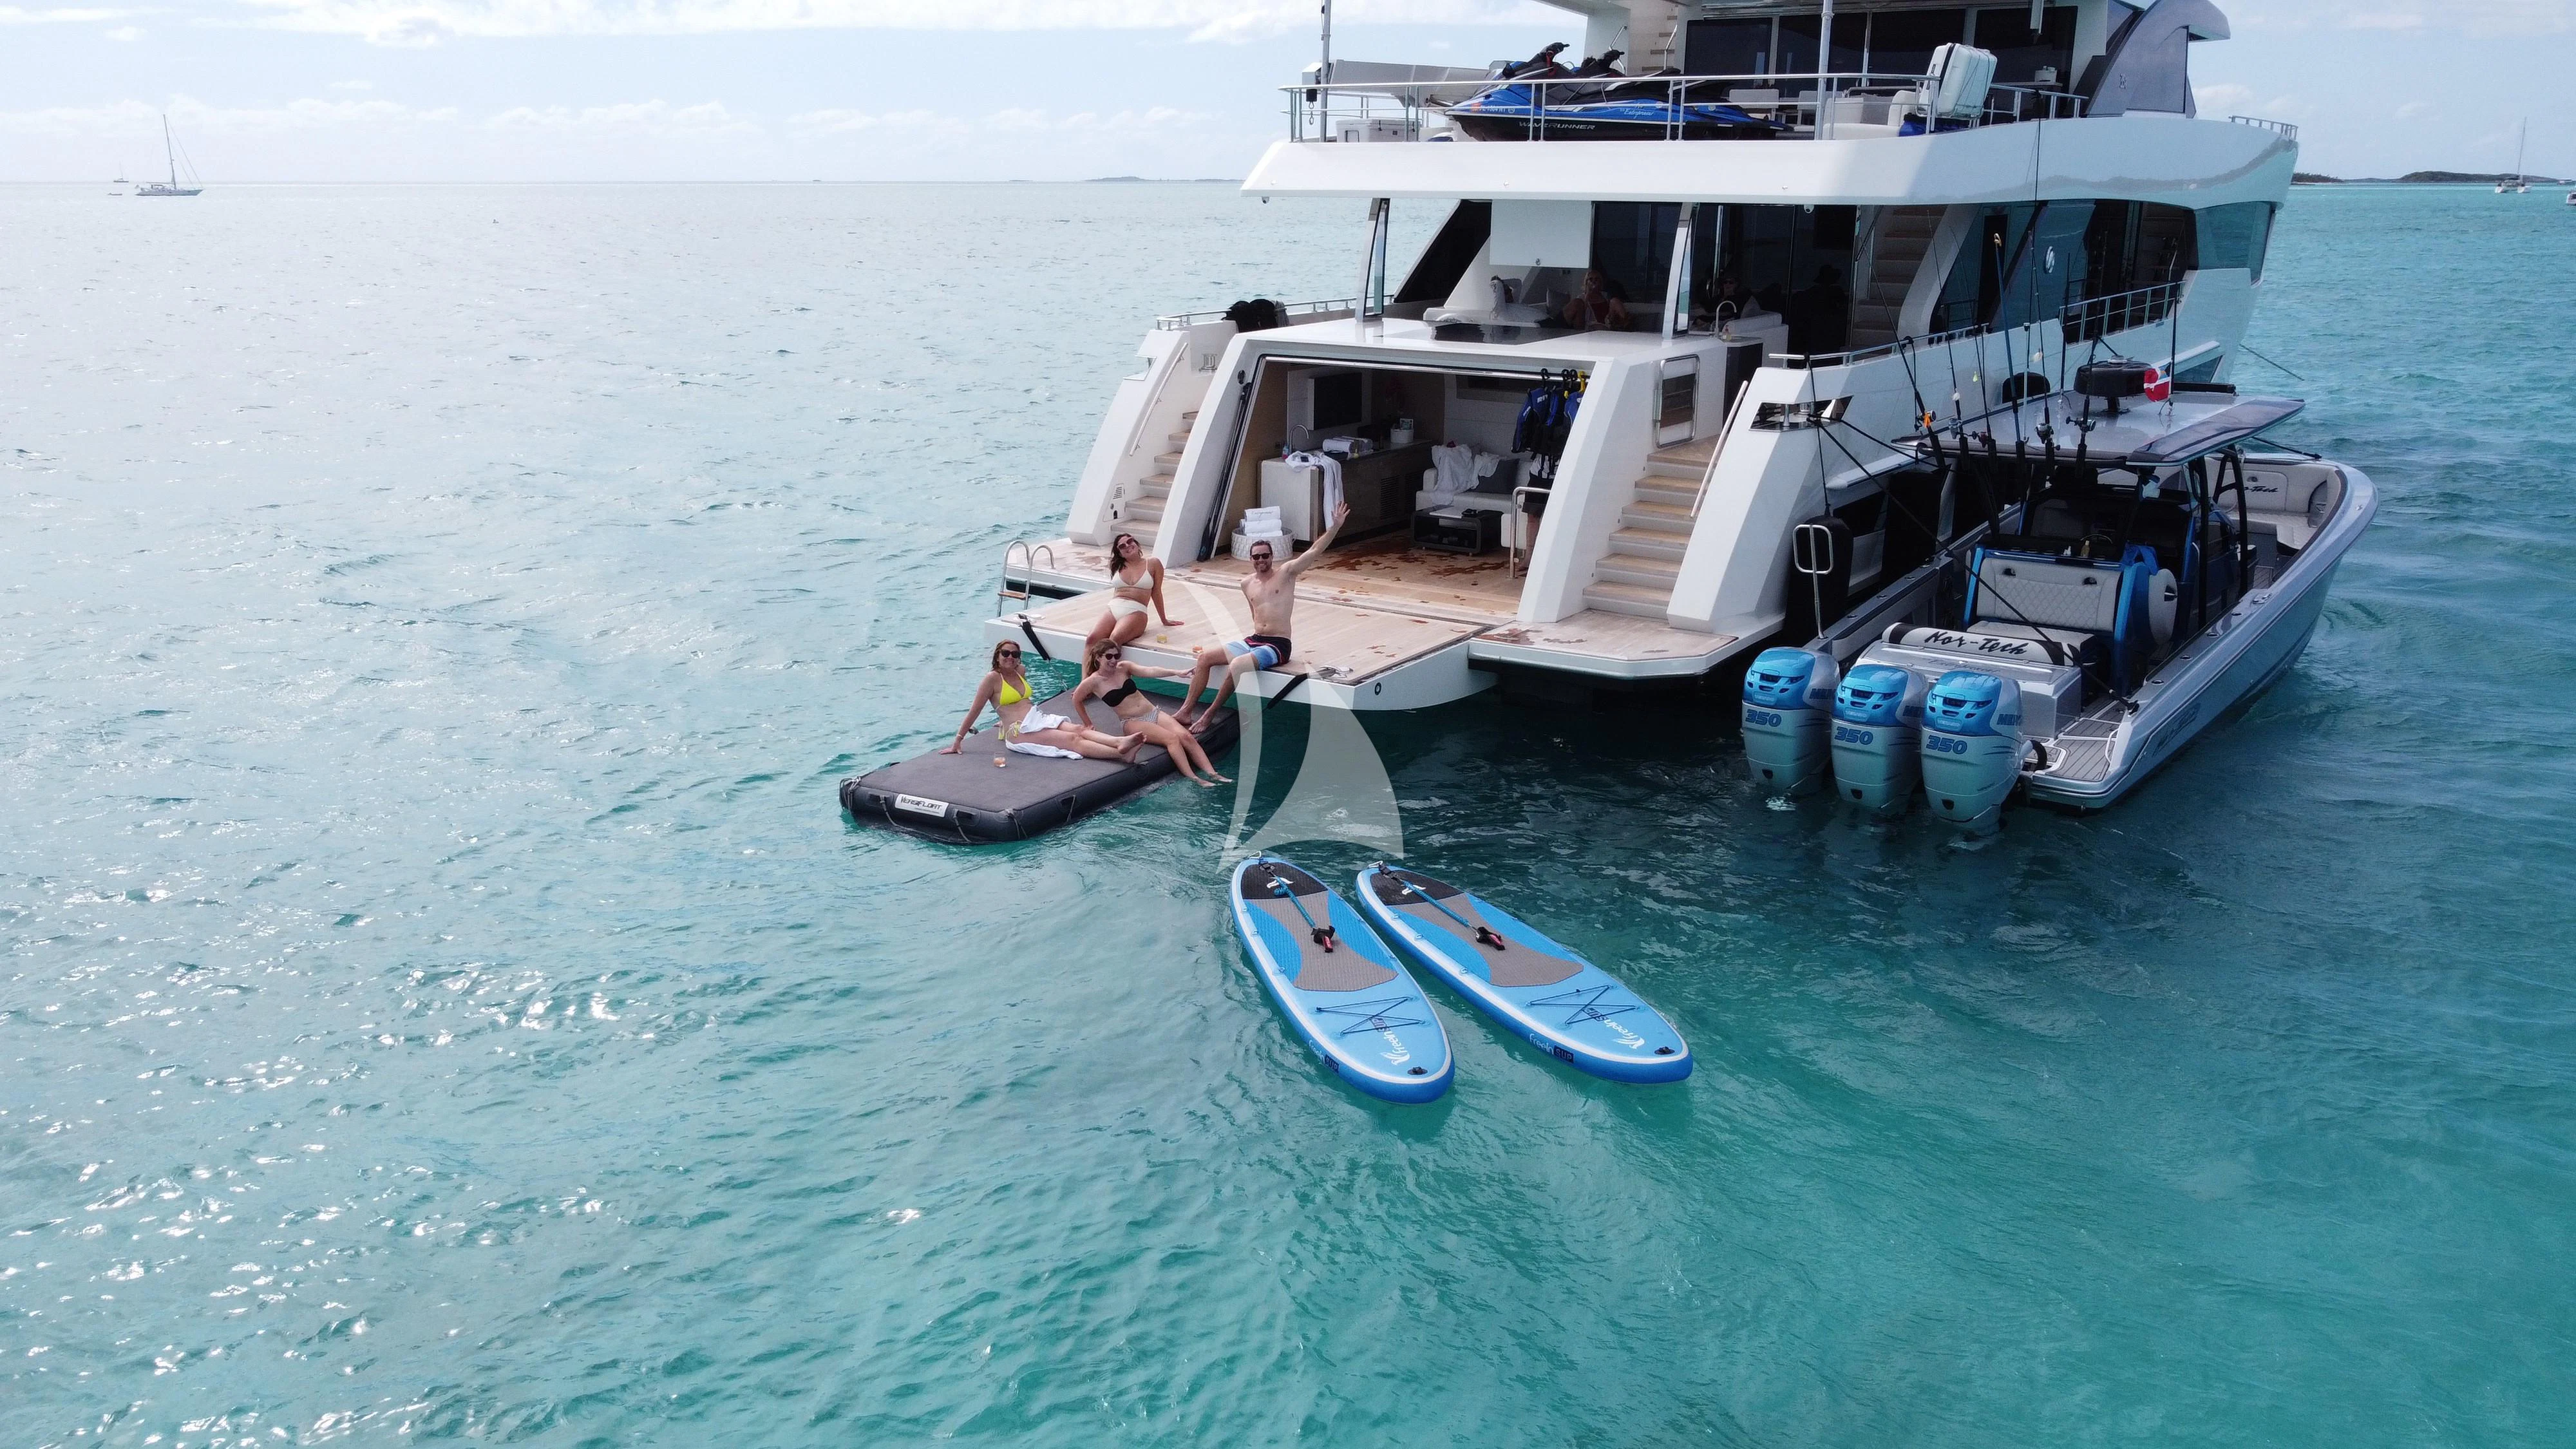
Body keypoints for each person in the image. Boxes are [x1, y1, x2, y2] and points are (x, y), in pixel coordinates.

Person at [1174, 500, 1348, 734]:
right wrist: (1251, 643)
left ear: (1272, 556)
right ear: (1251, 559)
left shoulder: (1286, 574)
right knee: (1205, 658)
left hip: (1278, 645)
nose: (1261, 560)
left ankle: (1209, 714)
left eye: (1265, 556)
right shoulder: (1246, 584)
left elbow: (1314, 552)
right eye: (1256, 557)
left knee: (1236, 665)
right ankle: (1186, 711)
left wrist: (1335, 527)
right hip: (1254, 640)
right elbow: (1255, 615)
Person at [938, 640, 1142, 762]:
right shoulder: (992, 679)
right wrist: (958, 740)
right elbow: (975, 711)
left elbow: (1017, 702)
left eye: (1015, 654)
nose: (1011, 657)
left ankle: (1119, 742)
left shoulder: (1021, 671)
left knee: (1079, 730)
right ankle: (1121, 755)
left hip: (1036, 718)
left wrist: (1002, 719)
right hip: (1019, 731)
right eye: (1006, 653)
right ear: (997, 656)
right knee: (1072, 741)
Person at [1063, 639, 1231, 787]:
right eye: (1109, 656)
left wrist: (1176, 672)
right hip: (1132, 721)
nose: (1114, 660)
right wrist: (1088, 723)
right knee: (1172, 740)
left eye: (1116, 656)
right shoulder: (1093, 682)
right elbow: (1076, 699)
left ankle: (1213, 773)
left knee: (1186, 737)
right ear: (1099, 657)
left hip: (1153, 712)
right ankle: (1194, 778)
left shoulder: (1124, 668)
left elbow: (1150, 671)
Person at [1084, 532, 1184, 654]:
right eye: (1122, 546)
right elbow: (1117, 590)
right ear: (1120, 553)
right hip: (1114, 607)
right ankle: (1088, 674)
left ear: (1136, 544)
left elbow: (1156, 592)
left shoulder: (1153, 563)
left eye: (1130, 541)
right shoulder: (1118, 565)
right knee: (1091, 639)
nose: (1127, 546)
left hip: (1136, 611)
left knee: (1114, 639)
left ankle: (1109, 672)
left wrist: (1164, 619)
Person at [1560, 269, 1631, 331]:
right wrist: (1588, 294)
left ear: (1601, 282)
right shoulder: (1582, 298)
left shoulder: (1606, 296)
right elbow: (1581, 316)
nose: (1594, 281)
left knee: (1615, 301)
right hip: (1589, 326)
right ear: (1587, 282)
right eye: (1591, 279)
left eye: (1597, 279)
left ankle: (1626, 327)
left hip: (1607, 325)